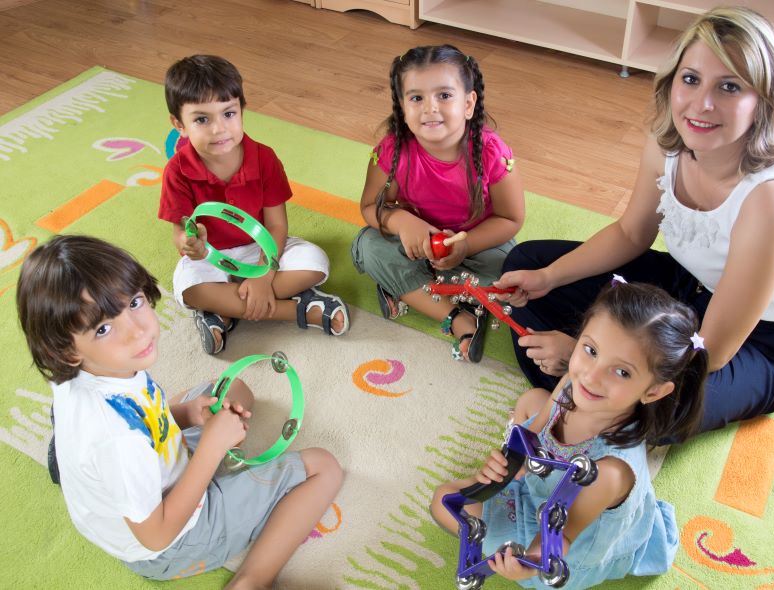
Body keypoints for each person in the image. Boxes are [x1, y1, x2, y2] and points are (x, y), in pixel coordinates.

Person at [496, 7, 774, 434]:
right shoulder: (667, 141)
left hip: (758, 343)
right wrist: (548, 277)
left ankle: (584, 395)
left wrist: (593, 362)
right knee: (525, 267)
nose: (702, 104)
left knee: (669, 408)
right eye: (690, 79)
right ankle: (597, 402)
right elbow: (631, 232)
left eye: (729, 87)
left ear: (764, 101)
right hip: (682, 288)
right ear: (672, 79)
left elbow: (715, 347)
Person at [16, 235, 343, 588]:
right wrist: (212, 448)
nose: (138, 331)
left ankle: (77, 467)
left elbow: (145, 418)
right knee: (322, 467)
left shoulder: (91, 370)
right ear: (65, 351)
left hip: (156, 461)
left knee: (233, 390)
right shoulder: (115, 439)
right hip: (169, 542)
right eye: (104, 328)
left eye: (135, 302)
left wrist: (186, 414)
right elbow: (155, 535)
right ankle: (252, 579)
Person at [431, 280, 707, 589]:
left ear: (654, 390)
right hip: (540, 486)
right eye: (590, 350)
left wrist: (529, 563)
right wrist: (507, 464)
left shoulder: (609, 472)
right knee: (533, 399)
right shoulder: (574, 383)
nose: (592, 375)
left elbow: (564, 534)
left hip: (559, 534)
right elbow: (532, 433)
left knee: (443, 501)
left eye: (622, 372)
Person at [160, 54, 350, 355]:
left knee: (316, 262)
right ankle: (299, 310)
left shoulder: (264, 158)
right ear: (178, 124)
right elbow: (179, 236)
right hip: (213, 256)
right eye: (201, 119)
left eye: (228, 113)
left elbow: (276, 226)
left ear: (241, 109)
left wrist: (263, 272)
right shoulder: (176, 171)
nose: (218, 129)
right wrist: (190, 244)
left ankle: (223, 310)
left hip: (263, 248)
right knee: (188, 287)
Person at [351, 44, 525, 362]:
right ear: (402, 107)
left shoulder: (492, 153)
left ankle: (409, 288)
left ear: (469, 103)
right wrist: (403, 222)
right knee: (370, 247)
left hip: (478, 247)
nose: (430, 108)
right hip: (414, 245)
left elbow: (511, 219)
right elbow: (369, 207)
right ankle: (459, 317)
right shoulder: (392, 150)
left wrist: (466, 244)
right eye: (416, 98)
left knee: (517, 274)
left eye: (444, 95)